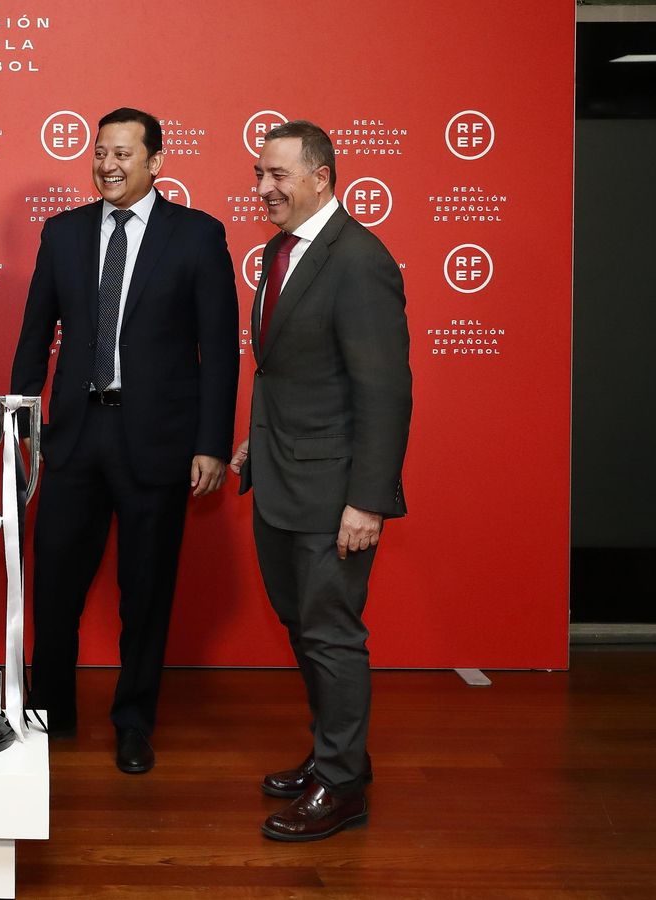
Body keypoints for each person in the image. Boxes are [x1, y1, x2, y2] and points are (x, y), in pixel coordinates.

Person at [9, 107, 238, 774]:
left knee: (147, 590)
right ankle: (51, 714)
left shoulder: (197, 237)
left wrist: (211, 444)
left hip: (158, 441)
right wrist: (23, 425)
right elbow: (33, 337)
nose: (108, 165)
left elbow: (218, 352)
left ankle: (134, 721)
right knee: (55, 586)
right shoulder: (64, 233)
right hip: (75, 438)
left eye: (123, 154)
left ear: (156, 162)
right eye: (100, 153)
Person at [229, 120, 412, 841]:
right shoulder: (283, 251)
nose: (264, 189)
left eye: (278, 175)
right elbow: (291, 370)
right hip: (282, 477)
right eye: (258, 174)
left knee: (331, 634)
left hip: (335, 494)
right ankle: (337, 756)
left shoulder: (359, 258)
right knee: (303, 626)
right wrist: (256, 440)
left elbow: (384, 391)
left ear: (321, 177)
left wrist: (366, 500)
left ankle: (342, 789)